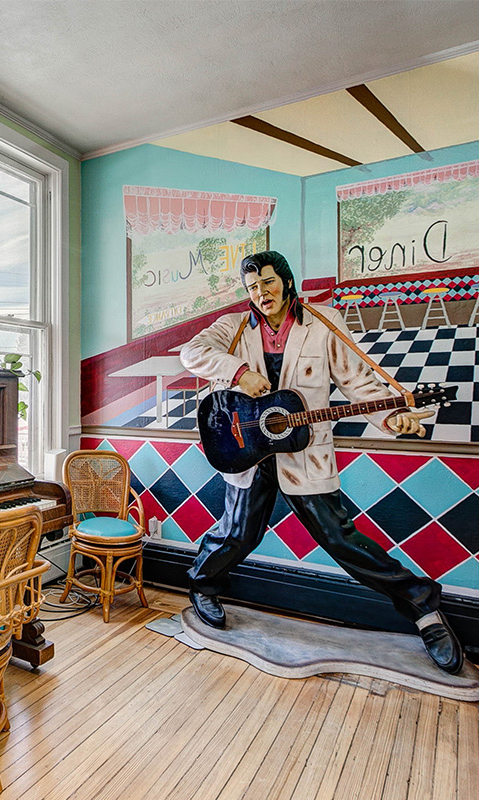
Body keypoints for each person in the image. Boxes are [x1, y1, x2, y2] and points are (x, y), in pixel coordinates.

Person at [180, 250, 464, 675]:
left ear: (288, 282)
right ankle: (202, 585)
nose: (262, 294)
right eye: (253, 288)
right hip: (248, 450)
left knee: (341, 540)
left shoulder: (324, 324)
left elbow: (359, 383)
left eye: (269, 283)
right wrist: (239, 372)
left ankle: (424, 608)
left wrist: (391, 416)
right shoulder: (233, 328)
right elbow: (192, 352)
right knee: (238, 534)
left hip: (304, 453)